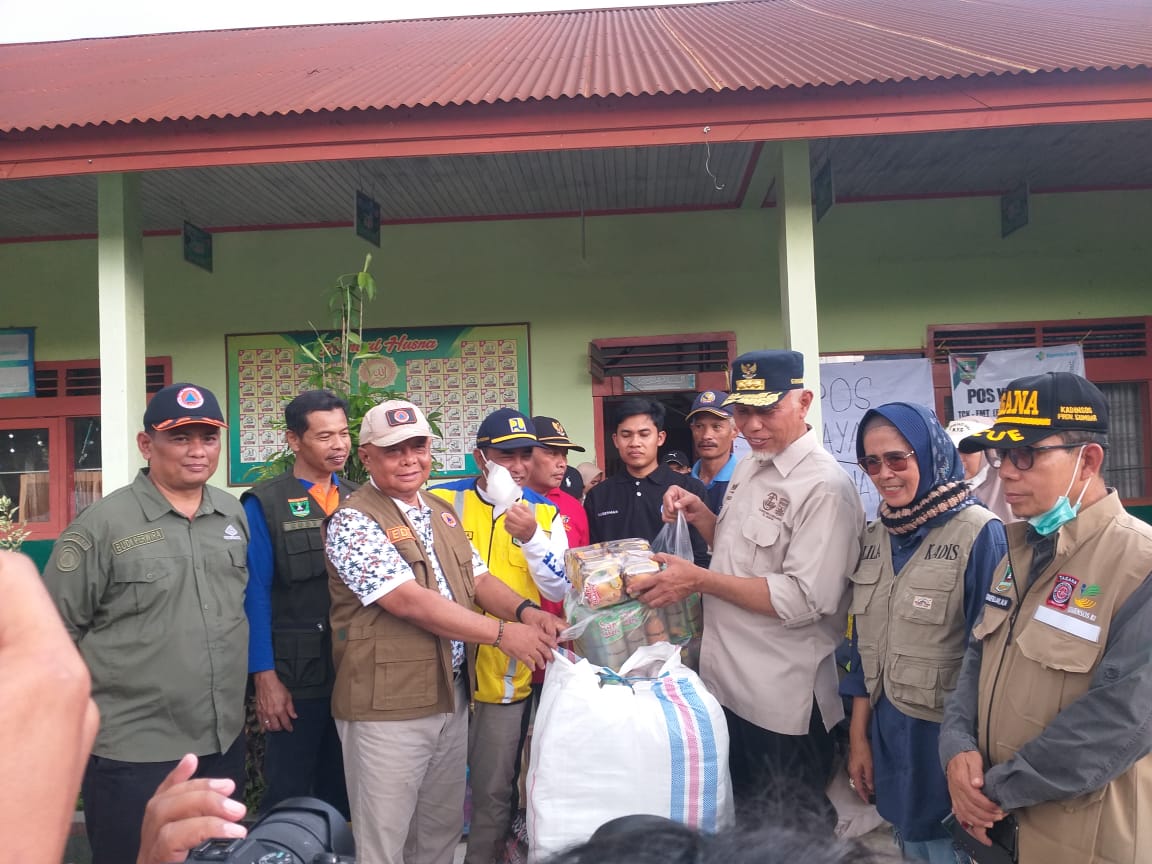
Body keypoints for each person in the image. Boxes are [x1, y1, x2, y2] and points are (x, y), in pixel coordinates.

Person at [324, 400, 566, 864]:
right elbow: (409, 601)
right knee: (385, 841)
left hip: (448, 697)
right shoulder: (354, 520)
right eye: (395, 450)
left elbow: (476, 578)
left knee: (438, 832)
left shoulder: (439, 510)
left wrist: (528, 611)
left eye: (419, 446)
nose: (410, 458)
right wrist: (502, 634)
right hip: (386, 705)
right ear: (367, 456)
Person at [631, 351, 864, 827]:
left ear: (803, 402)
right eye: (743, 411)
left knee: (792, 835)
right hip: (727, 687)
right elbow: (740, 555)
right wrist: (702, 515)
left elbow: (803, 596)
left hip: (780, 702)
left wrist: (697, 580)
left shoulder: (824, 487)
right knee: (751, 826)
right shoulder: (751, 466)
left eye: (767, 410)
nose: (753, 425)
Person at [939, 372, 1152, 864]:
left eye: (1024, 455)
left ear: (1088, 461)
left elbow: (1121, 721)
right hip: (999, 832)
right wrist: (954, 748)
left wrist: (991, 791)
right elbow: (975, 659)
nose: (1006, 472)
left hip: (1080, 838)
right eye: (1000, 455)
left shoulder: (1138, 567)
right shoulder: (1015, 551)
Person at [42, 382, 250, 864]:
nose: (198, 451)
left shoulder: (231, 513)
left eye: (208, 437)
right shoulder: (103, 526)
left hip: (221, 740)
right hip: (134, 750)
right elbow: (54, 637)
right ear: (146, 444)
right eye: (180, 438)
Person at [841, 403, 1007, 862]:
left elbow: (990, 660)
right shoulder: (877, 537)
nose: (884, 474)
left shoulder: (980, 534)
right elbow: (860, 648)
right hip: (889, 743)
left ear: (930, 454)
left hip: (947, 749)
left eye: (897, 458)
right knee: (910, 843)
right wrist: (860, 739)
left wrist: (970, 760)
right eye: (871, 463)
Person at [429, 408, 570, 864]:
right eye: (505, 455)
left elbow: (558, 587)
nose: (518, 466)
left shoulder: (545, 512)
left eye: (526, 455)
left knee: (492, 790)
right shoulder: (441, 502)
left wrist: (532, 538)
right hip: (440, 665)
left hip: (505, 672)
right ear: (480, 458)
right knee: (433, 786)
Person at [242, 389, 357, 818]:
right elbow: (255, 592)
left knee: (345, 789)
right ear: (295, 441)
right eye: (325, 436)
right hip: (295, 675)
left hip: (353, 668)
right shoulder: (265, 503)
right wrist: (264, 677)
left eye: (344, 434)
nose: (339, 445)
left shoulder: (360, 497)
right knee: (289, 792)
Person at [584, 398, 710, 566]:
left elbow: (701, 555)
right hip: (615, 590)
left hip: (673, 589)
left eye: (644, 434)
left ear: (660, 438)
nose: (635, 443)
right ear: (615, 440)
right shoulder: (599, 495)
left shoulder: (689, 490)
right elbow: (592, 557)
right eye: (626, 435)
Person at [530, 415, 591, 550]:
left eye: (564, 454)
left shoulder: (574, 507)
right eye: (552, 453)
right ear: (525, 454)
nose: (562, 463)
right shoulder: (505, 502)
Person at [945, 416, 1013, 524]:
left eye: (966, 450)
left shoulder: (1014, 490)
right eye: (952, 450)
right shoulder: (937, 491)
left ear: (990, 453)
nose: (957, 458)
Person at [687, 389, 740, 514]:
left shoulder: (745, 481)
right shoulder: (681, 484)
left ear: (735, 431)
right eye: (699, 426)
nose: (706, 435)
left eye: (716, 427)